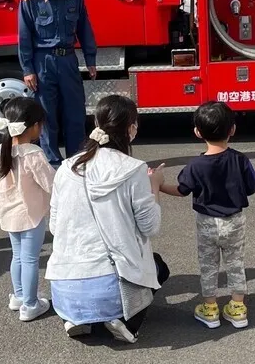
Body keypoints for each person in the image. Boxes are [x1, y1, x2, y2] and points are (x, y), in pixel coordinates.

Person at [45, 95, 169, 344]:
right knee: (159, 268)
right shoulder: (134, 169)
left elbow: (54, 226)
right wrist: (154, 185)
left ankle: (76, 318)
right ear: (131, 128)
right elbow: (150, 226)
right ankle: (125, 322)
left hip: (63, 286)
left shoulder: (67, 167)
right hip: (113, 288)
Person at [160, 101, 255, 329]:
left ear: (197, 132)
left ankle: (210, 308)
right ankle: (237, 308)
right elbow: (252, 187)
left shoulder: (195, 165)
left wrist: (160, 185)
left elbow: (182, 190)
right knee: (235, 262)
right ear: (232, 130)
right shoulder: (241, 159)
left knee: (208, 265)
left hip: (206, 223)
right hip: (234, 221)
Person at [18, 0, 98, 168]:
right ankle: (53, 164)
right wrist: (28, 69)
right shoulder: (30, 0)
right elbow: (24, 38)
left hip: (68, 60)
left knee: (75, 113)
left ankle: (76, 160)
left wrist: (90, 59)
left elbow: (84, 29)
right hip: (43, 63)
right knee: (47, 116)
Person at [0, 97, 55, 322]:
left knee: (17, 256)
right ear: (35, 126)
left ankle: (19, 296)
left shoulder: (3, 149)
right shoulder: (32, 154)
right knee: (30, 259)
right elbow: (50, 182)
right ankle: (30, 304)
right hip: (31, 214)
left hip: (10, 212)